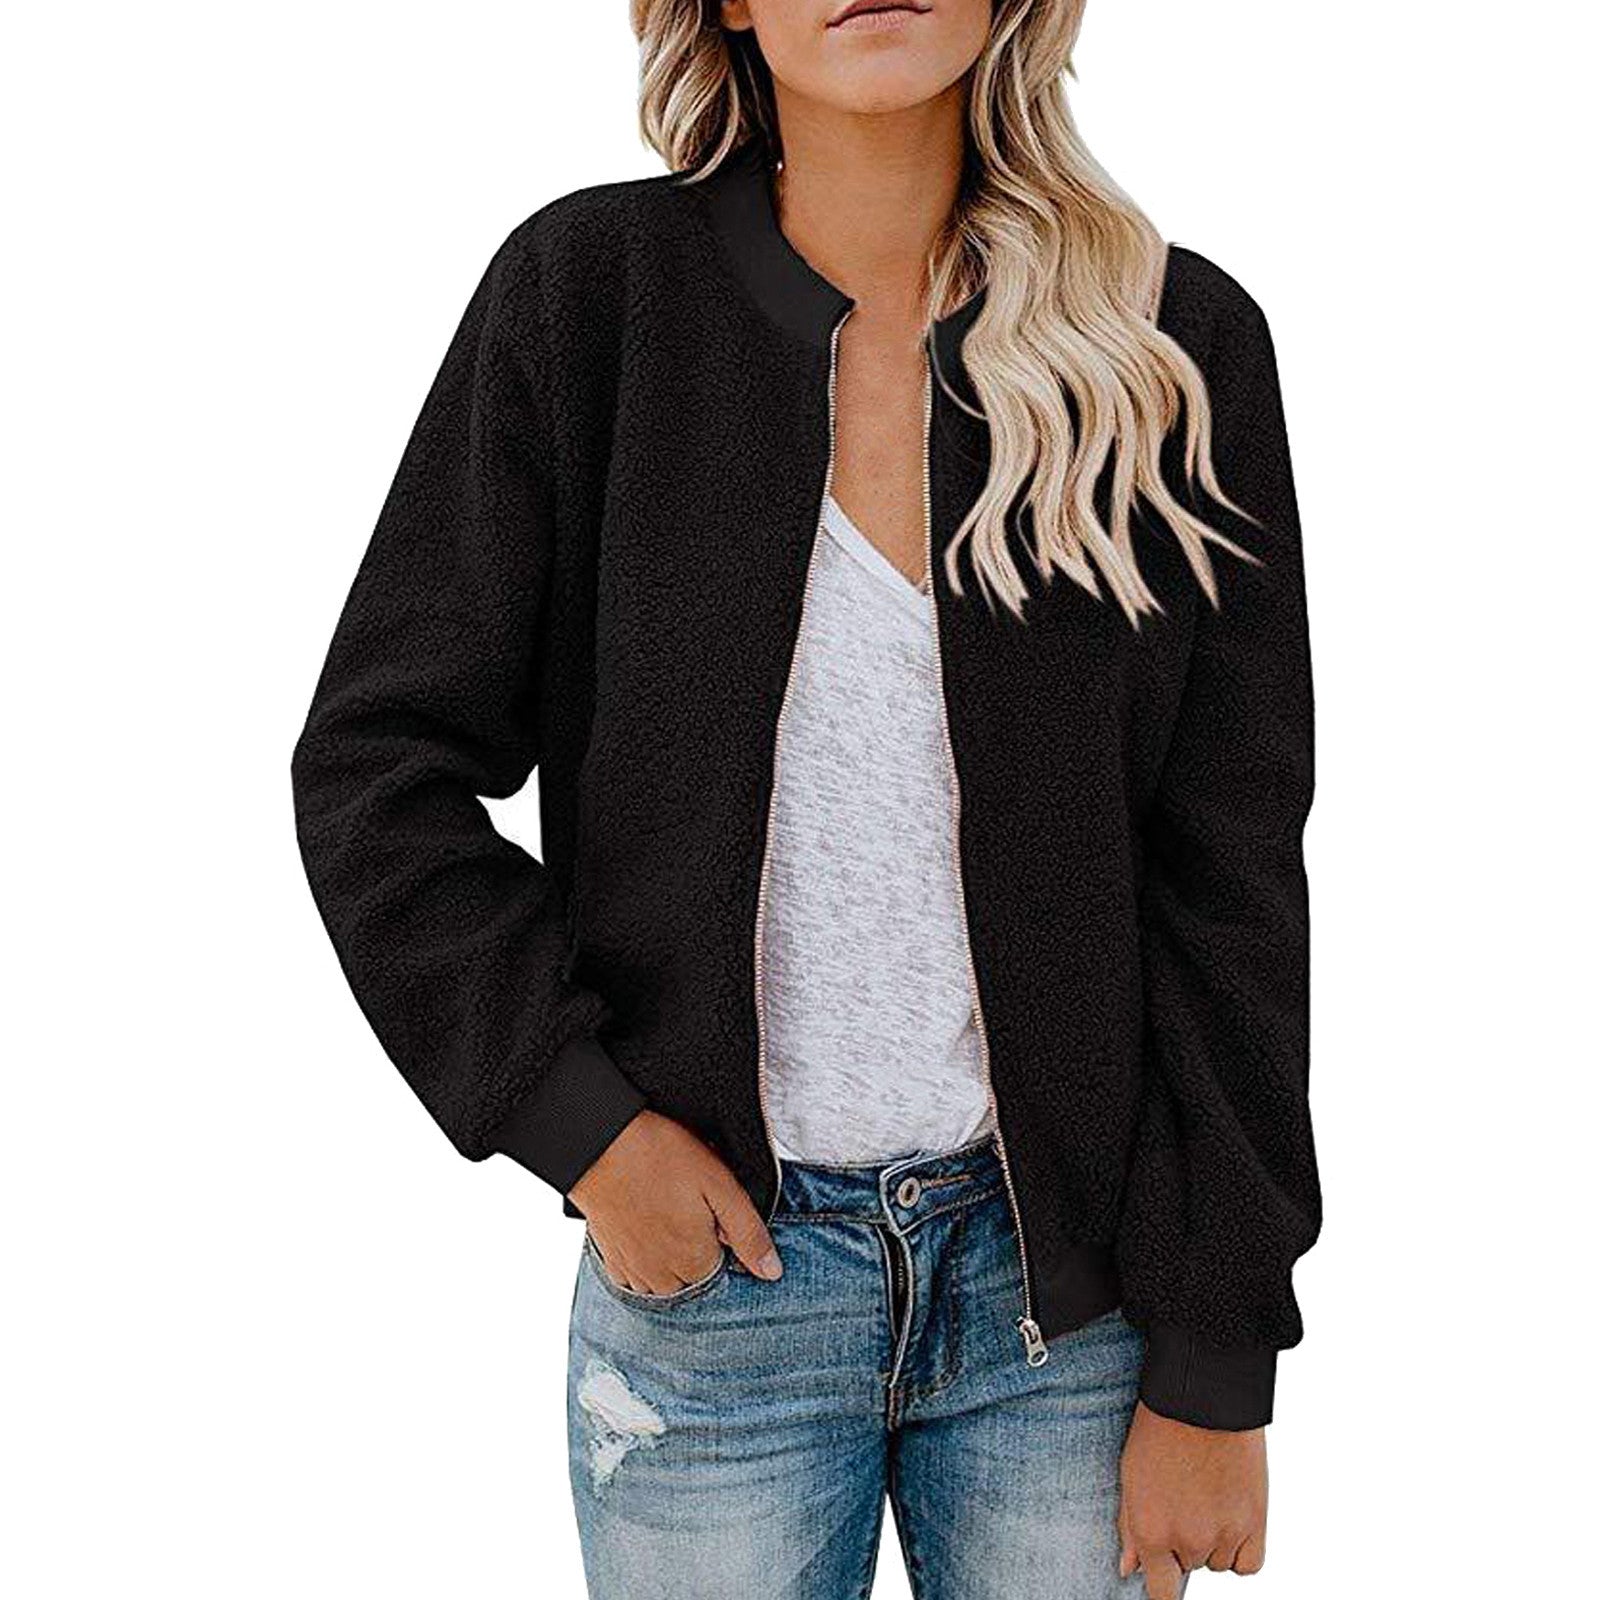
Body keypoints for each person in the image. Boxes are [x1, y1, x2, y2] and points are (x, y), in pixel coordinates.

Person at [291, 2, 1319, 1595]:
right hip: (718, 1301)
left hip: (1074, 1316)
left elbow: (1230, 881)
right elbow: (378, 769)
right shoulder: (591, 301)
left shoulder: (1169, 345)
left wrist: (1217, 1354)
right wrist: (586, 1130)